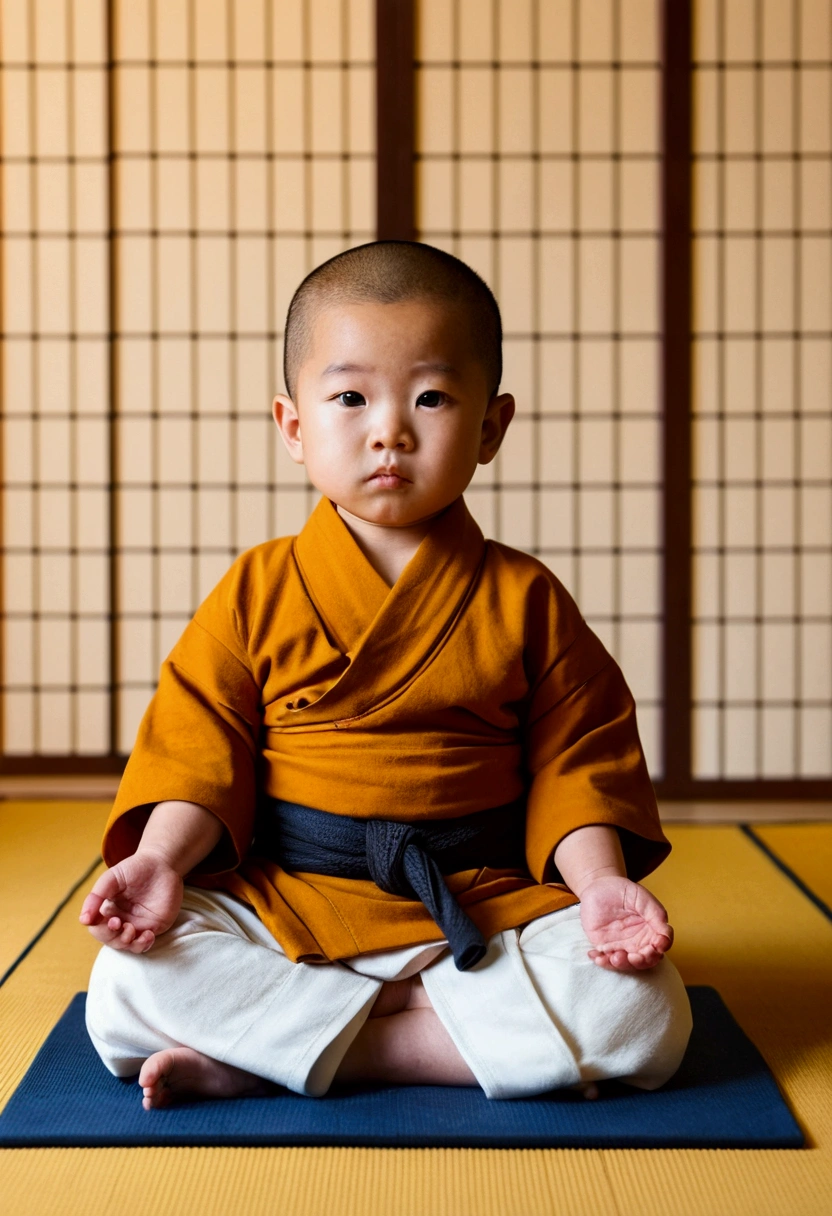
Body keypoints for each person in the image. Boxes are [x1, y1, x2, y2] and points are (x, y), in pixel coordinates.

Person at [80, 241, 692, 1111]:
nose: (389, 429)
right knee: (124, 988)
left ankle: (304, 1051)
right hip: (291, 898)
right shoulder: (256, 589)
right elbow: (198, 752)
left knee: (642, 1012)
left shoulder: (525, 597)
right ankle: (445, 1033)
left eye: (432, 397)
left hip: (479, 900)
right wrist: (157, 861)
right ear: (294, 426)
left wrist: (597, 888)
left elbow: (579, 766)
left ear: (490, 427)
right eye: (350, 397)